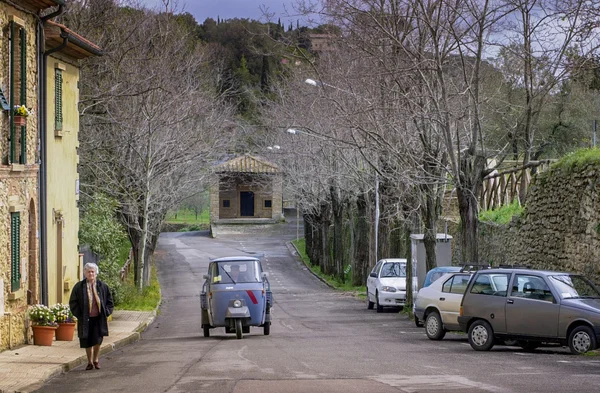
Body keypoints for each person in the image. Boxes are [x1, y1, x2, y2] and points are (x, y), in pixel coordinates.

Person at [69, 262, 114, 370]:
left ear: (96, 273)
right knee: (87, 340)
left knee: (98, 340)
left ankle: (96, 360)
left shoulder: (102, 286)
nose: (91, 274)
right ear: (85, 273)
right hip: (85, 319)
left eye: (93, 271)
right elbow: (73, 302)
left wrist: (106, 312)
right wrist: (79, 315)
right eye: (88, 271)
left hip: (99, 318)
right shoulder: (79, 287)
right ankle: (89, 362)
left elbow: (109, 301)